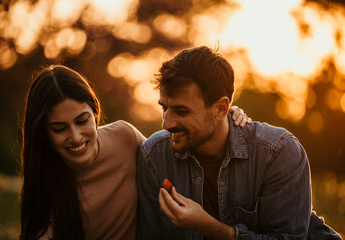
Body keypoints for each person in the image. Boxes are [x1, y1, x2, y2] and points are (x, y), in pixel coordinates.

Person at [19, 64, 249, 240]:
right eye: (59, 129)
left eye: (82, 120)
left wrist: (222, 117)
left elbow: (173, 151)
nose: (76, 137)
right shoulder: (43, 182)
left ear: (95, 111)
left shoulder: (124, 137)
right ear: (43, 133)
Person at [136, 46, 342, 240]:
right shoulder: (154, 156)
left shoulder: (278, 152)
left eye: (182, 111)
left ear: (221, 108)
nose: (166, 123)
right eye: (164, 108)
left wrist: (209, 227)